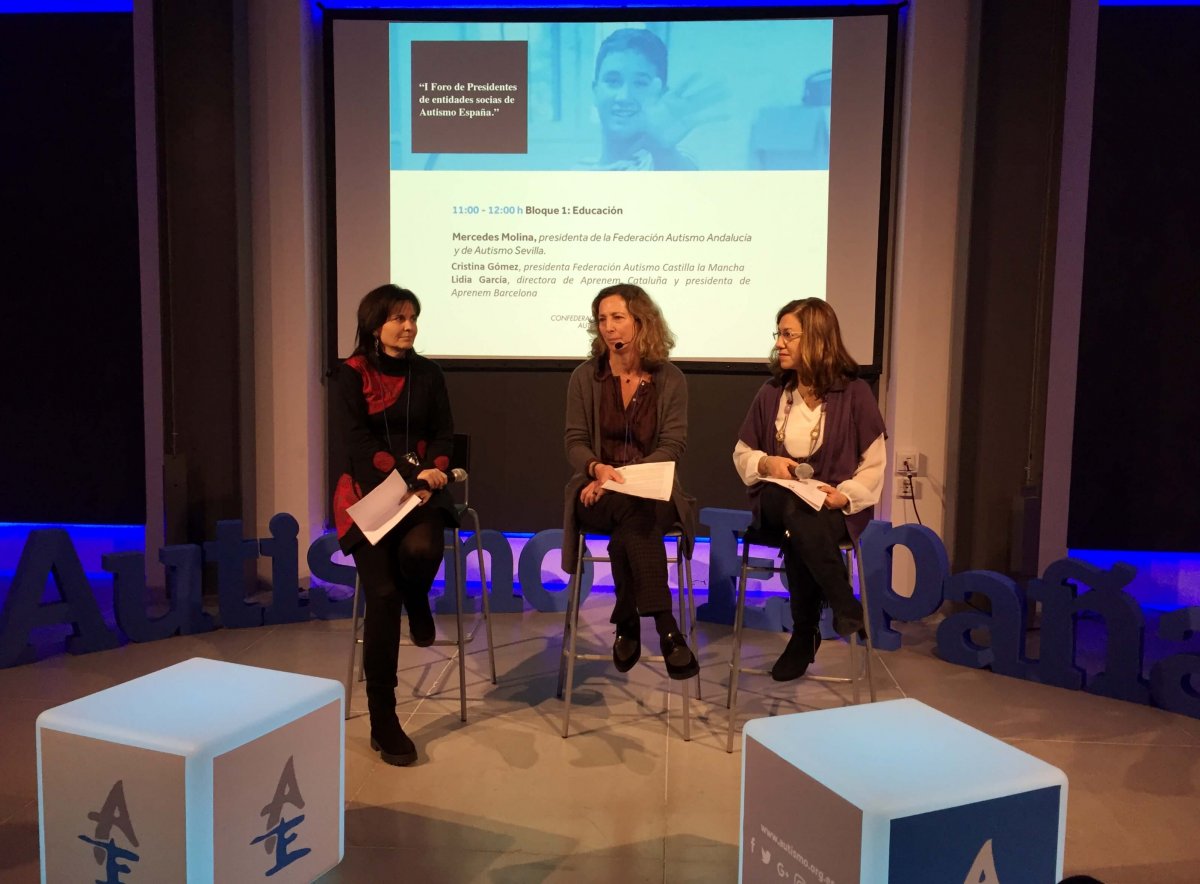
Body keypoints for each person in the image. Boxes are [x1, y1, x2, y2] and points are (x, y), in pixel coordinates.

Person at [330, 284, 455, 766]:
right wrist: (406, 474)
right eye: (398, 318)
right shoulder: (350, 374)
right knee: (382, 596)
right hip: (367, 493)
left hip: (420, 493)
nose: (408, 326)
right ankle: (384, 718)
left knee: (422, 552)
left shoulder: (429, 374)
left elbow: (442, 434)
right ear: (374, 324)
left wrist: (431, 477)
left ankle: (417, 597)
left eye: (413, 318)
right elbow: (357, 443)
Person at [732, 298, 887, 682]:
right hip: (774, 504)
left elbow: (874, 462)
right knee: (790, 504)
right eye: (778, 334)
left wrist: (846, 495)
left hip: (828, 508)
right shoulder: (772, 393)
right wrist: (766, 464)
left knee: (803, 523)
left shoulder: (854, 394)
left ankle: (804, 633)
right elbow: (742, 453)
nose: (779, 343)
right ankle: (842, 600)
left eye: (788, 335)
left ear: (816, 338)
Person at [563, 283, 698, 679]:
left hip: (653, 492)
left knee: (633, 521)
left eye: (617, 318)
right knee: (632, 514)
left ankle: (627, 620)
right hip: (596, 493)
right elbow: (575, 441)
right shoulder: (585, 377)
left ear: (642, 322)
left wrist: (624, 479)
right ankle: (667, 628)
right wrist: (596, 470)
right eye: (602, 319)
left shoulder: (669, 379)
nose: (608, 327)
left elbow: (673, 444)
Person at [589, 28, 722, 171]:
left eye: (640, 83)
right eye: (613, 81)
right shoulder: (579, 170)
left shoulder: (662, 160)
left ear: (661, 95)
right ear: (595, 92)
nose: (624, 97)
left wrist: (663, 150)